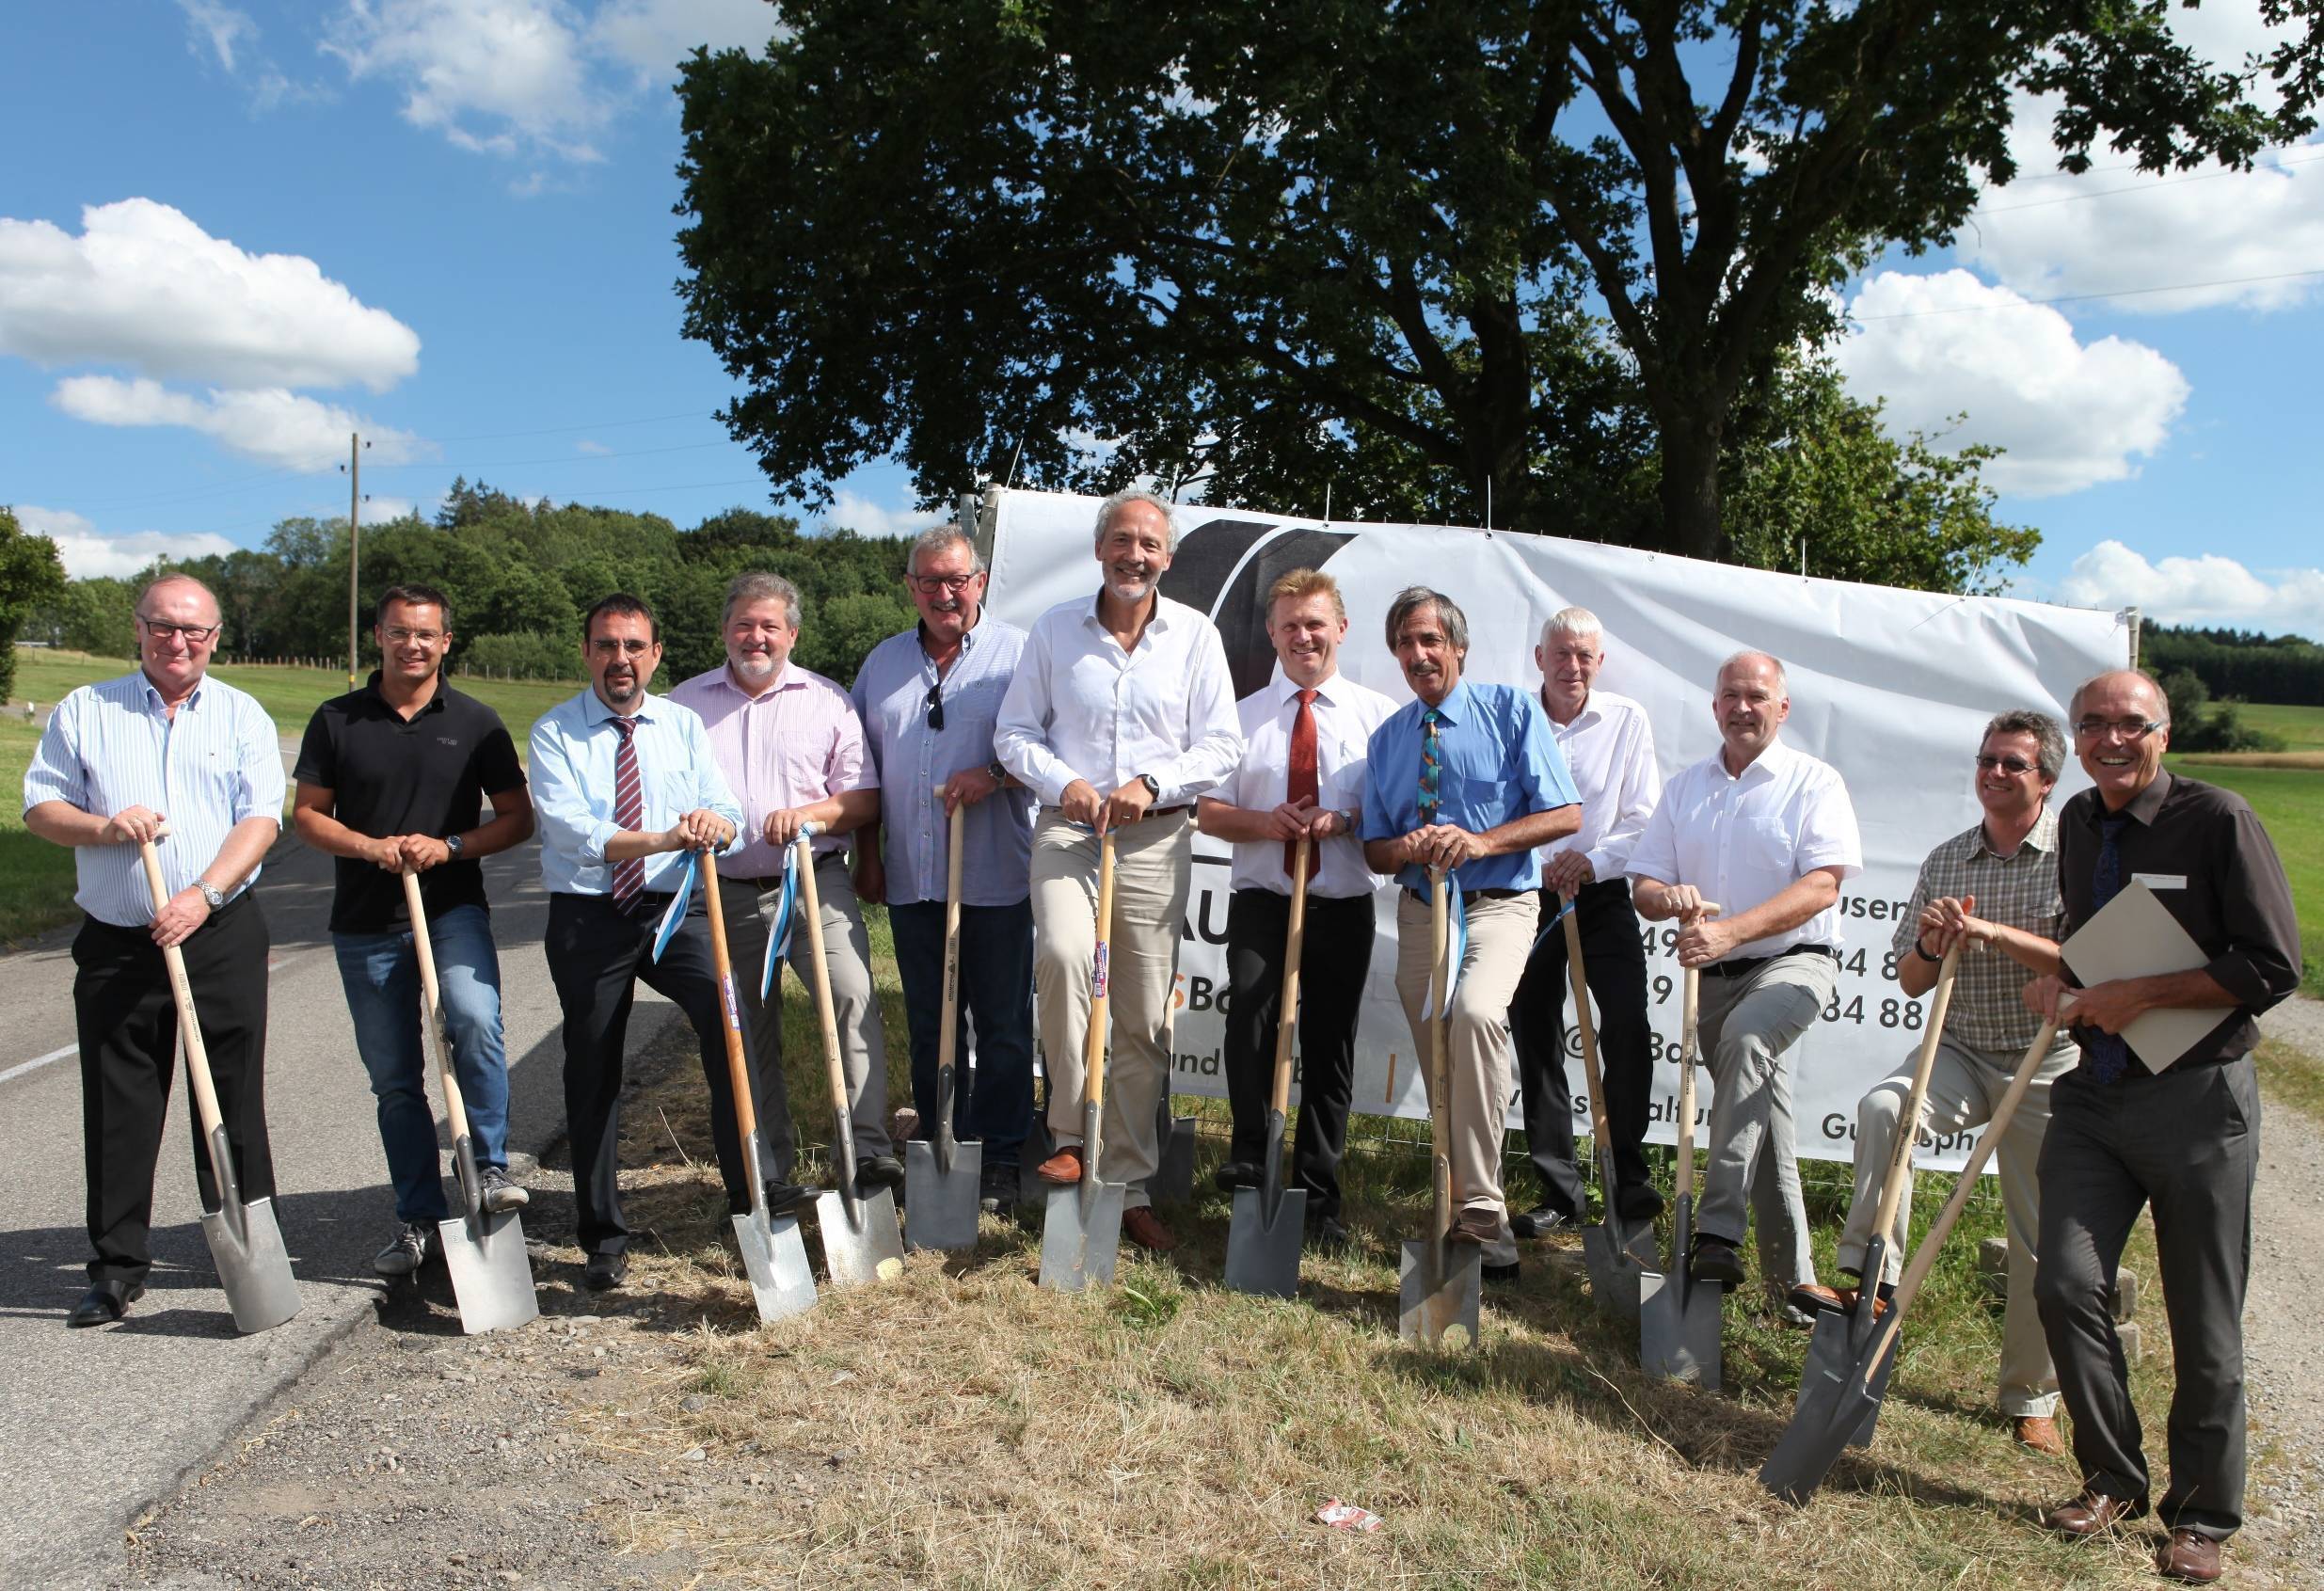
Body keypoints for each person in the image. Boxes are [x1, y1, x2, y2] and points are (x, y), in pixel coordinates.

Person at [2024, 669, 2300, 1585]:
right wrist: (2065, 988)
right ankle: (2111, 1475)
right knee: (2064, 1281)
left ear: (2163, 730)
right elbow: (2086, 933)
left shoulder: (2216, 819)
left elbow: (2270, 963)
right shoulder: (2072, 820)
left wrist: (2135, 993)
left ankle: (2200, 1517)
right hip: (2095, 1097)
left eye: (2129, 723)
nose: (2110, 738)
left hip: (2197, 1101)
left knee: (2203, 1322)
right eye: (2092, 723)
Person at [1789, 709, 2078, 1456]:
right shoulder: (1950, 859)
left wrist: (1994, 936)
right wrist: (1930, 940)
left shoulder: (2074, 856)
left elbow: (2081, 962)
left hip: (2046, 1057)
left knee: (2039, 1231)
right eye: (1987, 759)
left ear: (2046, 777)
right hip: (1959, 1045)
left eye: (2013, 763)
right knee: (1886, 1105)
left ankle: (2031, 1396)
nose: (1995, 772)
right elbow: (1912, 979)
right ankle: (1870, 1276)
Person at [23, 574, 287, 1328]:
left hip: (219, 930)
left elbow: (260, 820)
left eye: (195, 631)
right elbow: (41, 806)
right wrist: (104, 828)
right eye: (164, 627)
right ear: (137, 629)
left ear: (215, 636)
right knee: (120, 1104)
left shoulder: (241, 714)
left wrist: (201, 894)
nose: (179, 642)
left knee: (232, 1096)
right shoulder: (86, 710)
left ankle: (247, 1252)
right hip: (117, 939)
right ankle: (115, 1268)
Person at [994, 487, 1243, 1253]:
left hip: (1154, 839)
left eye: (1150, 545)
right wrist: (1059, 780)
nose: (1135, 555)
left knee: (1140, 1014)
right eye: (1123, 540)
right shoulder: (1055, 631)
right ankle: (1070, 1136)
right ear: (1101, 549)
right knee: (1067, 958)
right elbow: (1013, 733)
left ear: (1167, 557)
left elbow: (1222, 745)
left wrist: (1153, 784)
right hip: (1070, 833)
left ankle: (1128, 1181)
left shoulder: (1196, 636)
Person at [290, 584, 537, 1277]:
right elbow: (308, 814)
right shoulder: (338, 719)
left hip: (451, 908)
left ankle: (487, 1168)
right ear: (379, 635)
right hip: (365, 922)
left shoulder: (477, 720)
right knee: (396, 1078)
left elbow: (518, 818)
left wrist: (451, 847)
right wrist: (370, 847)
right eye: (400, 632)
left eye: (426, 634)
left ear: (446, 641)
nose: (413, 645)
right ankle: (419, 1217)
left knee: (474, 1017)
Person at [530, 594, 759, 1293]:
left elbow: (729, 812)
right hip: (589, 914)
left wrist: (713, 825)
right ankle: (603, 1234)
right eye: (606, 645)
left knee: (731, 1028)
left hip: (678, 908)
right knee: (592, 1063)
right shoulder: (554, 733)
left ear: (656, 654)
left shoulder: (682, 725)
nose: (620, 659)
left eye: (634, 645)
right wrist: (665, 833)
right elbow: (575, 832)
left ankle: (753, 1201)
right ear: (587, 652)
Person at [1359, 587, 1581, 1280]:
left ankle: (1482, 1204)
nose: (1419, 654)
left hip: (1500, 903)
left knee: (1479, 1014)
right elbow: (1374, 850)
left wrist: (1479, 842)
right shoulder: (1388, 738)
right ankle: (1475, 1222)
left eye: (1430, 640)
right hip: (1423, 909)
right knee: (1440, 1056)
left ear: (1458, 645)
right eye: (1405, 643)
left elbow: (1566, 814)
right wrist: (1409, 844)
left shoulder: (1512, 712)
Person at [1629, 651, 1860, 1309]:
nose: (1743, 706)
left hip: (1795, 962)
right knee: (1764, 1121)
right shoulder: (1685, 788)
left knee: (1750, 1040)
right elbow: (1644, 883)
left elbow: (1822, 885)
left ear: (1782, 708)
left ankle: (1716, 1232)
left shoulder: (1814, 782)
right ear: (1715, 706)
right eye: (1731, 694)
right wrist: (1665, 897)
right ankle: (1795, 1287)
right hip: (1714, 977)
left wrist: (1731, 930)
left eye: (1757, 695)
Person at [670, 574, 899, 1196]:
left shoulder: (827, 701)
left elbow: (864, 797)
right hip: (723, 893)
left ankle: (866, 1150)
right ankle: (767, 1172)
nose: (756, 636)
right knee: (746, 1030)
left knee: (851, 994)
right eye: (744, 623)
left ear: (792, 633)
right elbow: (664, 796)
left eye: (770, 625)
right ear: (724, 630)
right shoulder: (683, 707)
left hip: (811, 883)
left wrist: (813, 815)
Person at [1198, 567, 1396, 1250]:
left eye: (1315, 623)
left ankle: (1318, 1195)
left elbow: (1393, 815)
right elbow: (1211, 812)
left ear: (1340, 628)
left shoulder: (1379, 719)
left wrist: (1348, 818)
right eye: (1289, 625)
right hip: (1265, 897)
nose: (1303, 636)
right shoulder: (1243, 715)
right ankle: (1251, 1157)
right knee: (1250, 1013)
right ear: (1272, 634)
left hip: (1340, 900)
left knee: (1329, 1042)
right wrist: (1267, 822)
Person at [852, 526, 1037, 1212]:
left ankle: (1004, 1152)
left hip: (996, 876)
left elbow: (1045, 754)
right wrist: (866, 853)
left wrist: (992, 774)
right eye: (929, 581)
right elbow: (862, 768)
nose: (944, 593)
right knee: (931, 1018)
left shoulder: (1019, 655)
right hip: (913, 878)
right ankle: (937, 1140)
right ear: (911, 587)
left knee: (1004, 1023)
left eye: (957, 579)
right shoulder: (883, 664)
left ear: (980, 582)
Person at [1505, 607, 1664, 1238]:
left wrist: (1589, 860)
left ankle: (1628, 1174)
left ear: (1599, 663)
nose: (1573, 665)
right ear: (1540, 658)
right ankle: (1560, 1190)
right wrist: (1539, 861)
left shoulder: (1627, 721)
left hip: (1600, 895)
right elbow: (1496, 805)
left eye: (1585, 656)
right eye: (1562, 653)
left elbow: (1642, 815)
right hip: (1527, 896)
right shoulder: (1512, 718)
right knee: (1533, 1030)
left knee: (1626, 1021)